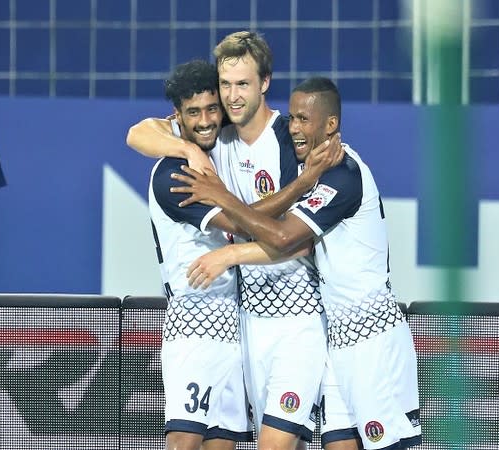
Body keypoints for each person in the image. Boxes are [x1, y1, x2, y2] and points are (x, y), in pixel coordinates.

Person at [171, 77, 423, 450]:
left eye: (305, 120)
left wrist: (224, 212)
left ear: (331, 125)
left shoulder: (344, 175)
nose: (295, 129)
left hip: (373, 337)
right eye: (292, 119)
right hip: (338, 338)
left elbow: (286, 237)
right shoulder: (318, 177)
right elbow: (290, 241)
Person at [127, 31, 344, 450]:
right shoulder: (199, 149)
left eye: (240, 85)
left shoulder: (287, 135)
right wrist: (183, 149)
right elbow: (137, 132)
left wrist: (231, 252)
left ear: (264, 83)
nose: (225, 101)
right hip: (226, 322)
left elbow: (297, 238)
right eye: (225, 86)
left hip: (295, 315)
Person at [145, 59, 255, 450]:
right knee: (184, 442)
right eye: (194, 113)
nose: (206, 120)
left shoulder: (223, 152)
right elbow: (242, 225)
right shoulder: (173, 174)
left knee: (224, 443)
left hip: (236, 327)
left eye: (213, 109)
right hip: (195, 323)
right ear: (178, 117)